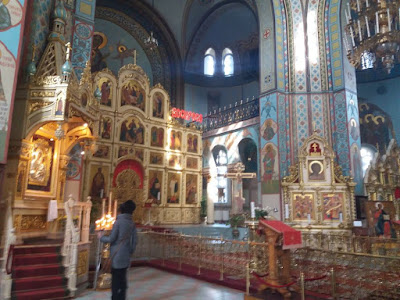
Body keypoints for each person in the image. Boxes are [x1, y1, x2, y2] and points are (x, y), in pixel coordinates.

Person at [99, 200, 137, 300]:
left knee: (115, 279)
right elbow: (134, 241)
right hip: (126, 255)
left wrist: (101, 237)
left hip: (116, 255)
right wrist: (130, 252)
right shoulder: (132, 223)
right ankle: (122, 297)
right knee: (123, 278)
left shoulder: (118, 222)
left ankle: (115, 298)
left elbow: (112, 239)